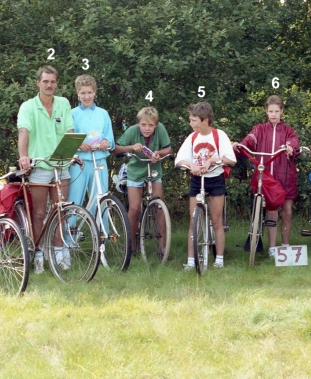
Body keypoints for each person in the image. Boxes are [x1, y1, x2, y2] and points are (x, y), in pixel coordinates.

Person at [17, 66, 75, 274]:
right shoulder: (28, 107)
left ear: (56, 84)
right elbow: (24, 131)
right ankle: (38, 252)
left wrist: (71, 152)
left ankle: (59, 251)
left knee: (61, 209)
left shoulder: (63, 103)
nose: (49, 85)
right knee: (39, 212)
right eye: (45, 81)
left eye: (53, 81)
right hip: (40, 166)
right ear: (38, 83)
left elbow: (69, 130)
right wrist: (24, 156)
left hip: (61, 164)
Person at [232, 95, 300, 257]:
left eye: (277, 111)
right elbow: (249, 140)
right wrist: (239, 145)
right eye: (271, 111)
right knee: (271, 211)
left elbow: (294, 143)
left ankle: (285, 246)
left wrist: (290, 148)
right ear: (266, 111)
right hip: (267, 176)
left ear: (282, 111)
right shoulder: (260, 129)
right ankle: (272, 248)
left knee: (287, 211)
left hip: (286, 175)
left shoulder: (288, 130)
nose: (274, 114)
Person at [175, 102, 236, 269]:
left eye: (194, 120)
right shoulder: (192, 137)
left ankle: (219, 260)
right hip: (197, 180)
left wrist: (212, 160)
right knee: (194, 220)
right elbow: (179, 159)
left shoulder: (219, 135)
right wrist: (191, 165)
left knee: (216, 220)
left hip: (215, 180)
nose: (191, 124)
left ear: (205, 120)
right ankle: (191, 260)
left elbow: (231, 159)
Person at [113, 107, 172, 255]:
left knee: (159, 207)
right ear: (138, 124)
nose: (147, 128)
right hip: (136, 171)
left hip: (154, 169)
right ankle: (130, 246)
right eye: (144, 125)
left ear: (156, 125)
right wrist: (131, 147)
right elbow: (115, 149)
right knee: (134, 208)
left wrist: (159, 153)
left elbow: (168, 149)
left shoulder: (161, 130)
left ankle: (162, 247)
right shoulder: (132, 131)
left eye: (151, 125)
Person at [67, 74, 115, 207]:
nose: (86, 96)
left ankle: (100, 227)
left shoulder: (103, 113)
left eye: (89, 92)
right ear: (78, 93)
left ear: (95, 92)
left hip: (99, 160)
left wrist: (106, 141)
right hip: (79, 162)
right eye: (83, 93)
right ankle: (71, 227)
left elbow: (109, 137)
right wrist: (79, 144)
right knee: (74, 198)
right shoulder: (72, 114)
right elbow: (68, 138)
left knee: (101, 197)